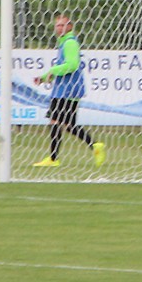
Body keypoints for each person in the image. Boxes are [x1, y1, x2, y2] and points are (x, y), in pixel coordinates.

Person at [32, 14, 105, 167]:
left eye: (62, 25)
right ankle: (95, 146)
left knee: (55, 121)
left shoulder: (70, 43)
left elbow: (72, 65)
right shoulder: (64, 43)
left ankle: (53, 159)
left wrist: (52, 70)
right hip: (67, 89)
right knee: (68, 125)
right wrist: (44, 77)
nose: (59, 28)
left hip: (66, 90)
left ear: (70, 27)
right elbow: (62, 67)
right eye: (57, 25)